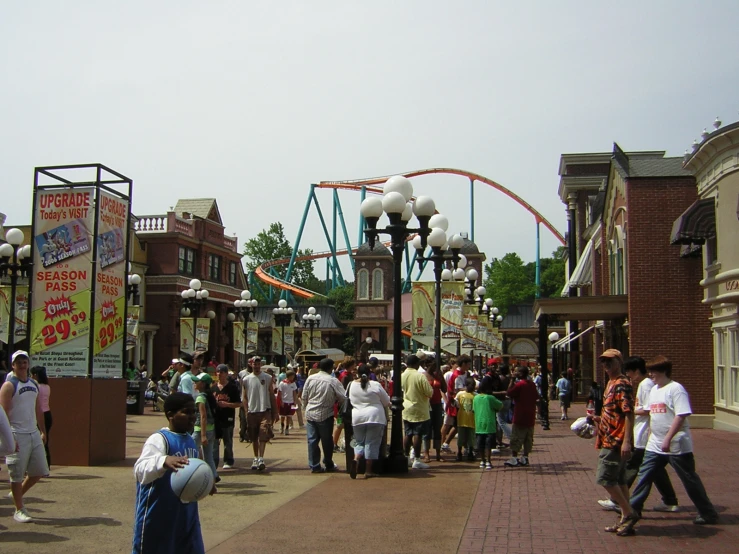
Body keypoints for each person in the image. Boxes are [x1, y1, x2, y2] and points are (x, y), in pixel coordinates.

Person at [629, 355, 718, 526]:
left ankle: (708, 513)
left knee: (689, 478)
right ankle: (632, 510)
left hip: (677, 444)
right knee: (644, 475)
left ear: (663, 371)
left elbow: (681, 415)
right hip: (654, 444)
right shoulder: (654, 390)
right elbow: (651, 413)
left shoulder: (676, 389)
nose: (650, 375)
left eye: (653, 371)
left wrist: (668, 438)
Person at [598, 357, 679, 513]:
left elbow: (649, 409)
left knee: (631, 468)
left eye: (629, 372)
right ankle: (669, 499)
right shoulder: (645, 385)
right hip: (643, 434)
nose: (629, 376)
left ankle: (623, 502)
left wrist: (624, 410)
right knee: (653, 470)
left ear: (635, 371)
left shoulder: (646, 385)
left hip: (643, 434)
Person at [132, 392, 207, 554]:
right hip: (159, 515)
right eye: (186, 412)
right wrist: (163, 460)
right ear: (170, 415)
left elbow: (197, 469)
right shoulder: (160, 439)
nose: (192, 417)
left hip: (186, 515)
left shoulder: (191, 440)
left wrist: (206, 483)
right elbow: (140, 470)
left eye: (193, 412)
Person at [589, 349, 639, 536]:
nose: (606, 365)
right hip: (607, 436)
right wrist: (599, 419)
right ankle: (624, 521)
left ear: (619, 361)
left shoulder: (621, 384)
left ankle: (629, 513)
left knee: (605, 479)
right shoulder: (610, 383)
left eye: (610, 361)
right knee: (619, 480)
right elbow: (614, 411)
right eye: (604, 362)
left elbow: (628, 412)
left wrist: (626, 441)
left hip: (615, 440)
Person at [0, 350, 48, 523]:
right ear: (12, 365)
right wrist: (8, 438)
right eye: (18, 362)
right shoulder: (9, 386)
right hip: (16, 433)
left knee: (39, 471)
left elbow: (38, 409)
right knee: (17, 474)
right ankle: (19, 509)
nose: (22, 365)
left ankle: (16, 493)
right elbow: (2, 414)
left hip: (33, 433)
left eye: (24, 361)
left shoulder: (34, 384)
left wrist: (43, 430)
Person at [302, 357, 346, 473]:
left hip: (310, 413)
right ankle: (328, 462)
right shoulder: (333, 380)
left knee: (312, 440)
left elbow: (304, 396)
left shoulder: (310, 378)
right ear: (331, 368)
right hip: (325, 413)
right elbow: (343, 398)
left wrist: (305, 407)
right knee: (327, 441)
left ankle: (314, 465)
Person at [348, 363, 391, 479]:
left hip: (357, 417)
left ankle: (356, 459)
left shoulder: (351, 385)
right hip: (375, 417)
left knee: (359, 441)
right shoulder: (375, 385)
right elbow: (386, 401)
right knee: (371, 443)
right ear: (369, 372)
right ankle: (368, 470)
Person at [242, 356, 277, 471]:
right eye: (255, 364)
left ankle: (261, 458)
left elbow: (272, 394)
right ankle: (255, 457)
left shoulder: (267, 378)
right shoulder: (246, 379)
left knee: (263, 433)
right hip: (252, 411)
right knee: (253, 437)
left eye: (258, 364)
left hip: (264, 411)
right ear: (251, 365)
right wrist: (246, 411)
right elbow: (244, 397)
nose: (257, 366)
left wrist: (275, 412)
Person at [401, 354, 433, 469]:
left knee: (408, 434)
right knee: (417, 435)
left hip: (406, 408)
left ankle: (406, 457)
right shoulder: (420, 376)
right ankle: (417, 459)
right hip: (419, 408)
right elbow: (429, 392)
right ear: (416, 364)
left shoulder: (402, 375)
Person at [504, 366, 538, 468]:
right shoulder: (532, 384)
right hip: (530, 415)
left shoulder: (520, 385)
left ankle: (514, 458)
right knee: (528, 438)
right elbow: (536, 397)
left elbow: (509, 393)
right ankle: (525, 457)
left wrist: (512, 380)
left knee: (516, 437)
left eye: (517, 372)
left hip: (520, 415)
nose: (515, 373)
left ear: (521, 374)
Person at [191, 373, 218, 485]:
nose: (194, 383)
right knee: (209, 456)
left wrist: (202, 435)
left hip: (200, 430)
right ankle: (214, 476)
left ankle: (193, 476)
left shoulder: (200, 397)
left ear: (202, 384)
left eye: (196, 381)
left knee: (189, 450)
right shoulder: (209, 396)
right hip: (212, 429)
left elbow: (203, 416)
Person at [213, 364, 240, 470]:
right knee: (214, 442)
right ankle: (214, 461)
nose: (219, 374)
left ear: (226, 374)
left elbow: (239, 403)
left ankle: (228, 460)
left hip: (228, 417)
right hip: (216, 418)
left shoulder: (232, 388)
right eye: (218, 372)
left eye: (222, 372)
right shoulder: (213, 387)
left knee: (227, 440)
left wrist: (227, 404)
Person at [475, 375, 503, 470]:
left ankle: (482, 460)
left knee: (480, 445)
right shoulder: (490, 398)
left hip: (479, 425)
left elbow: (473, 409)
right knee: (489, 445)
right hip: (490, 425)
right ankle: (488, 461)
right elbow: (500, 405)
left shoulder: (476, 398)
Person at [423, 361, 447, 462]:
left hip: (437, 405)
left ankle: (438, 453)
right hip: (427, 405)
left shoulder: (438, 375)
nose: (434, 368)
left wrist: (441, 377)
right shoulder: (423, 376)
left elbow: (444, 389)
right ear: (427, 365)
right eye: (432, 366)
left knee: (437, 428)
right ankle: (426, 453)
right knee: (427, 429)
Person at [30, 366, 52, 467]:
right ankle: (47, 465)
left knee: (39, 442)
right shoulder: (47, 386)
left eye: (32, 375)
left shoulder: (36, 387)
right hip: (48, 414)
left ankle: (41, 465)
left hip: (40, 414)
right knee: (45, 441)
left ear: (35, 375)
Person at [455, 377, 477, 462]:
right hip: (462, 420)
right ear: (466, 385)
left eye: (474, 386)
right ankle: (459, 452)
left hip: (472, 420)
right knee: (461, 438)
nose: (473, 387)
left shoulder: (475, 395)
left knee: (471, 438)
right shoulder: (460, 394)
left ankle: (470, 452)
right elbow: (456, 404)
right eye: (471, 385)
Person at [278, 370, 298, 435]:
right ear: (288, 376)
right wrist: (281, 401)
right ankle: (282, 427)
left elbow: (294, 392)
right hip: (284, 401)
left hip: (291, 402)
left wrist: (295, 401)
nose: (293, 377)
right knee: (283, 416)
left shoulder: (293, 383)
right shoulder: (282, 383)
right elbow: (280, 393)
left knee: (289, 416)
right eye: (292, 376)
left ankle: (287, 428)